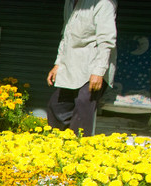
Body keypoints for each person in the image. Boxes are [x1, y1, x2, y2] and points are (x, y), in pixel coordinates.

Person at [47, 0, 117, 136]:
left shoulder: (103, 4)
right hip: (72, 67)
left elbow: (106, 42)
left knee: (83, 103)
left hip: (93, 67)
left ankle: (80, 147)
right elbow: (66, 36)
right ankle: (56, 144)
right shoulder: (69, 3)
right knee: (56, 106)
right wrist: (58, 64)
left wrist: (98, 71)